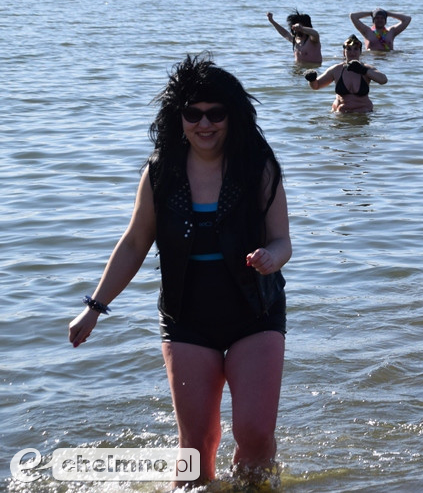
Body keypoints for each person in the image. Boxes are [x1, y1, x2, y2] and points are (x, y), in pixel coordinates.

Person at [68, 54, 291, 487]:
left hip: (255, 311)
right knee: (194, 446)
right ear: (179, 117)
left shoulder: (258, 166)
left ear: (233, 116)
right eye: (193, 114)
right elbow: (135, 243)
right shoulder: (161, 172)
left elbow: (283, 240)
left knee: (255, 435)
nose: (204, 124)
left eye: (216, 114)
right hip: (187, 316)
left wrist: (271, 257)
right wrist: (94, 307)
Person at [304, 34, 388, 113]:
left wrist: (363, 70)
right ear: (344, 52)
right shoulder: (336, 70)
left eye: (356, 49)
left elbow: (383, 80)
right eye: (349, 49)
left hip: (363, 113)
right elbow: (316, 85)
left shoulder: (366, 69)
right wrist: (311, 79)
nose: (352, 52)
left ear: (360, 52)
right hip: (342, 114)